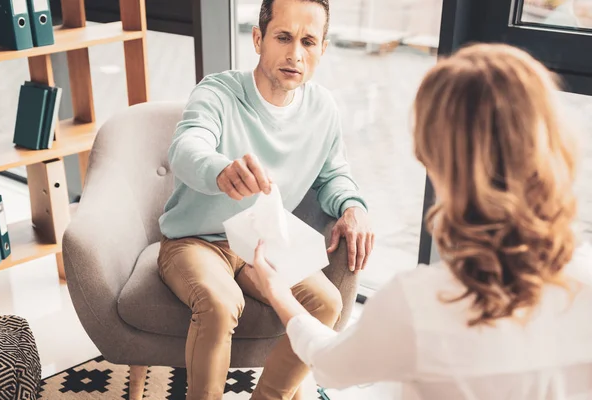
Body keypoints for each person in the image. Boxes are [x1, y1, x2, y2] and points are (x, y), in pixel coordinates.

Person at [248, 43, 592, 399]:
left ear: (438, 162)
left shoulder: (416, 303)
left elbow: (330, 365)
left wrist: (277, 290)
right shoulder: (585, 282)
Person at [157, 0, 374, 398]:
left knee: (326, 302)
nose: (295, 54)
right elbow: (187, 146)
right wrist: (220, 170)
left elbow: (333, 175)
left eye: (309, 41)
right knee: (219, 305)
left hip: (262, 243)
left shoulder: (323, 108)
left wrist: (352, 208)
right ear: (258, 39)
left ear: (322, 50)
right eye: (284, 37)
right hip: (195, 241)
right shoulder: (218, 91)